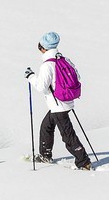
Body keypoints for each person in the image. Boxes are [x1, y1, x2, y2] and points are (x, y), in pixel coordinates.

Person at [25, 31, 91, 169]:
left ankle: (83, 161)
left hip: (57, 105)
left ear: (43, 48)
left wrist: (31, 77)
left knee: (68, 135)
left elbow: (42, 87)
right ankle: (45, 155)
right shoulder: (65, 60)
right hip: (65, 101)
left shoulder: (47, 65)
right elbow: (77, 77)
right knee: (46, 126)